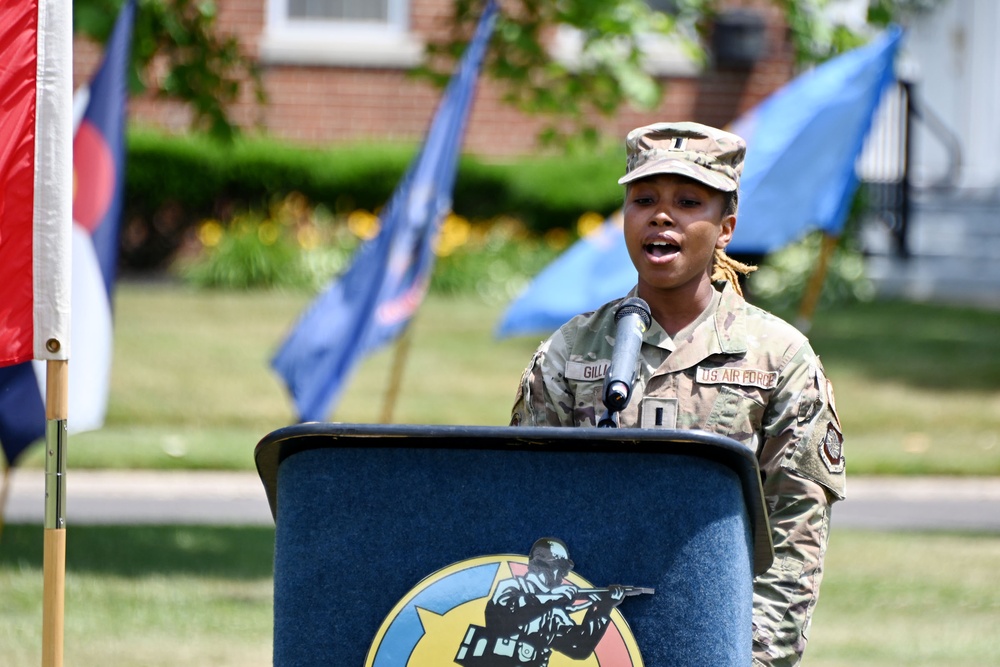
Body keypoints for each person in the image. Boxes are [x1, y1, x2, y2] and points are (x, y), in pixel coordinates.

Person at [509, 121, 845, 666]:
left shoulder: (777, 357)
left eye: (689, 201)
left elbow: (793, 536)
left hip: (717, 634)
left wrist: (754, 658)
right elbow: (523, 509)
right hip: (590, 640)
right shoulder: (570, 350)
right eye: (643, 199)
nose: (661, 215)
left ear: (726, 227)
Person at [455, 538, 624, 667]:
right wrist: (553, 597)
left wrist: (603, 610)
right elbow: (503, 618)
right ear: (544, 564)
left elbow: (579, 647)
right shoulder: (511, 586)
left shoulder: (555, 613)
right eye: (562, 567)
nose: (564, 574)